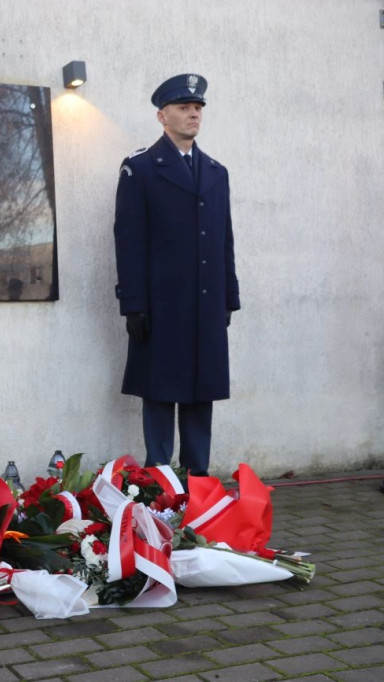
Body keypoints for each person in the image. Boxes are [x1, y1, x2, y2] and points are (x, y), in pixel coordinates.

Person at [113, 73, 239, 477]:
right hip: (162, 306)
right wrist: (133, 304)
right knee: (160, 393)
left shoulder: (216, 172)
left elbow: (224, 240)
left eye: (198, 107)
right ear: (161, 116)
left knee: (202, 395)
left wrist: (228, 299)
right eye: (184, 107)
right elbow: (129, 241)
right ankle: (159, 483)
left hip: (206, 304)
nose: (193, 113)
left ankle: (198, 480)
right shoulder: (142, 169)